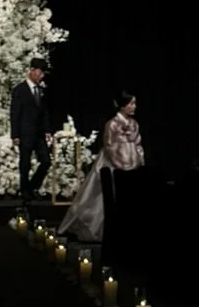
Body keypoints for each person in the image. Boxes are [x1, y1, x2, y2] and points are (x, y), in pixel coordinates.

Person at [58, 91, 144, 241]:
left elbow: (138, 144)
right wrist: (121, 164)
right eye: (131, 103)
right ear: (122, 106)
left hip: (132, 163)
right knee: (103, 196)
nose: (134, 106)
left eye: (134, 103)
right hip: (113, 162)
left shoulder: (134, 124)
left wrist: (138, 161)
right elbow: (109, 146)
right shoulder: (112, 124)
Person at [10, 58, 55, 198]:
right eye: (40, 72)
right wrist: (15, 135)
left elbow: (45, 112)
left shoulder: (41, 90)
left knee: (46, 161)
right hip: (25, 133)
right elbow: (15, 113)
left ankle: (31, 186)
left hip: (39, 133)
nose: (42, 76)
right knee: (25, 164)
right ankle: (25, 191)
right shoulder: (20, 90)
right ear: (32, 70)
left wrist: (47, 130)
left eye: (43, 73)